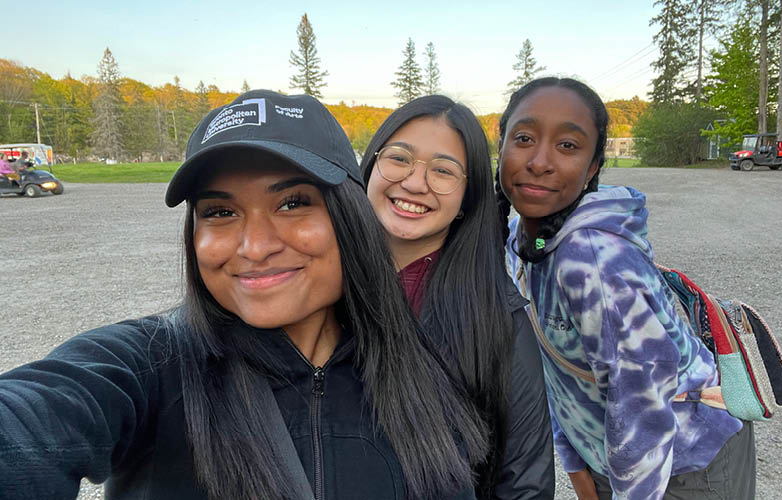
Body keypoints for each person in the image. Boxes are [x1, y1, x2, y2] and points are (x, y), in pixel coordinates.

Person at [0, 90, 491, 500]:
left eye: (293, 203)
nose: (255, 247)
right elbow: (35, 418)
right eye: (219, 212)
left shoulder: (417, 370)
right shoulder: (150, 367)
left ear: (350, 218)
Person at [495, 77, 755, 500]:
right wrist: (577, 465)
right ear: (501, 145)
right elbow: (556, 369)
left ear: (592, 168)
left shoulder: (593, 261)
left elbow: (642, 405)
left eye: (567, 145)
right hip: (613, 458)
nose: (540, 161)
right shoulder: (522, 240)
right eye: (524, 138)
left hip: (687, 462)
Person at [360, 95, 554, 499]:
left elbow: (525, 483)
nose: (415, 183)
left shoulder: (498, 321)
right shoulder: (312, 287)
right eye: (399, 158)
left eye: (443, 170)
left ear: (468, 197)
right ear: (370, 166)